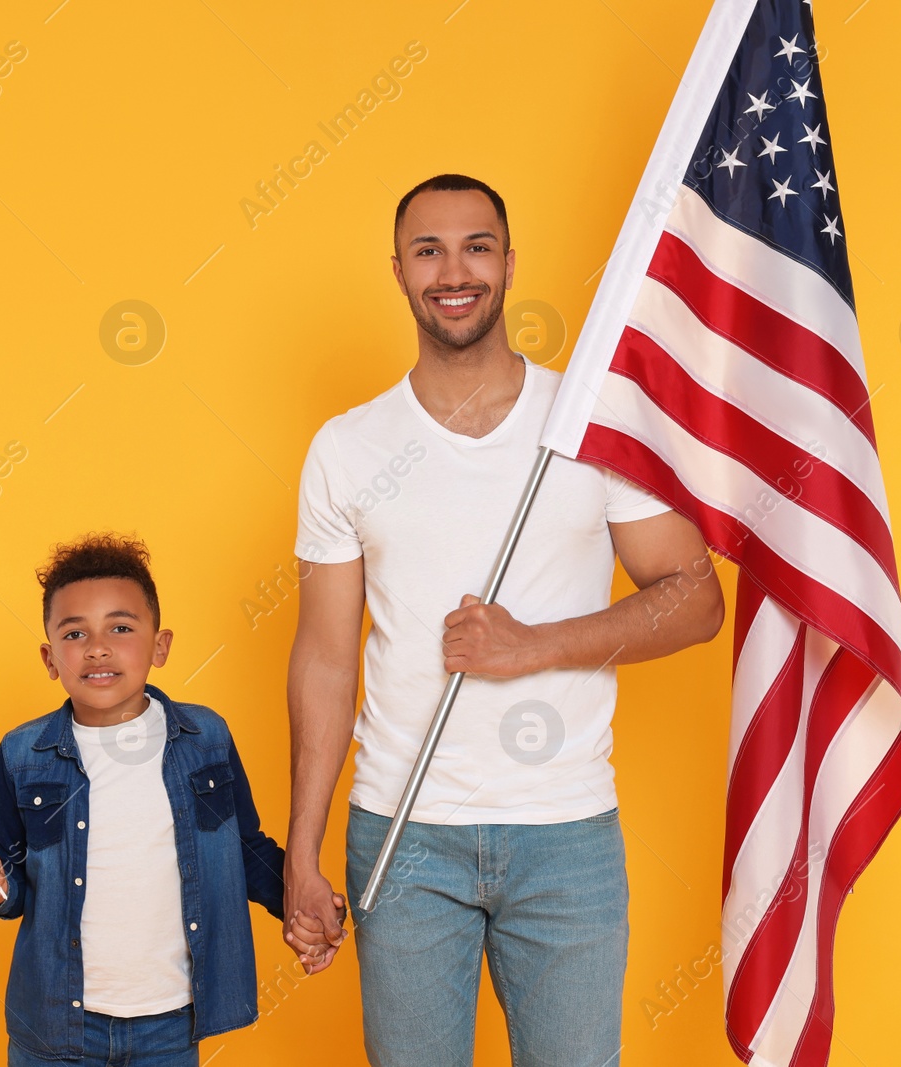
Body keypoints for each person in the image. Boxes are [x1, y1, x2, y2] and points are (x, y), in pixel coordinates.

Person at [284, 174, 726, 1064]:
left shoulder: (591, 421)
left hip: (565, 835)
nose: (455, 270)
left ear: (510, 264)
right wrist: (303, 847)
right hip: (404, 836)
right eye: (429, 250)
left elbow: (696, 596)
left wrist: (535, 646)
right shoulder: (347, 448)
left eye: (476, 246)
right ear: (400, 272)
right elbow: (327, 662)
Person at [0, 534, 339, 1066]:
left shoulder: (206, 737)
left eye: (120, 627)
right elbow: (15, 883)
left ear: (160, 646)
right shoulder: (23, 754)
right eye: (74, 633)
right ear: (50, 658)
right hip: (55, 1026)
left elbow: (243, 850)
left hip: (170, 1024)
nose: (97, 647)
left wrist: (298, 904)